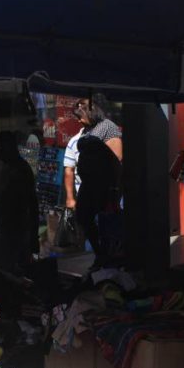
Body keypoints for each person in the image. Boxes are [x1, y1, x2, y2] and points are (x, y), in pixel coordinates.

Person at [72, 94, 123, 268]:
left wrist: (114, 188)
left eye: (80, 117)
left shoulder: (108, 127)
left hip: (104, 185)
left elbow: (116, 159)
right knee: (83, 216)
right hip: (88, 184)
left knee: (106, 222)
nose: (78, 121)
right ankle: (100, 254)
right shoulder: (87, 130)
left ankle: (107, 257)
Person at [0, 131, 38, 273]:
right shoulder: (7, 168)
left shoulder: (20, 169)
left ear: (11, 148)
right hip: (6, 229)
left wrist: (33, 236)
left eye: (1, 149)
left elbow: (31, 203)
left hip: (17, 230)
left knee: (11, 270)